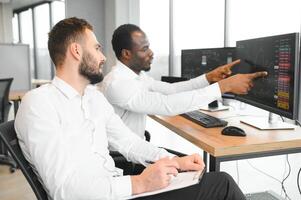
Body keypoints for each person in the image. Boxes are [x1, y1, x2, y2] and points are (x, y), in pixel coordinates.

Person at [15, 17, 246, 200]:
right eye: (96, 48)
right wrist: (141, 183)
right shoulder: (39, 103)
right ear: (76, 51)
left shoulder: (92, 98)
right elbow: (63, 190)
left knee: (201, 179)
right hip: (112, 192)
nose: (103, 57)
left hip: (118, 187)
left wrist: (174, 161)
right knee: (221, 184)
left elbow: (129, 142)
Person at [99, 24, 267, 139]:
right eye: (144, 49)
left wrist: (209, 78)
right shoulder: (117, 83)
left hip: (137, 150)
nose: (151, 53)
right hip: (125, 163)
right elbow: (167, 105)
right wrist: (224, 86)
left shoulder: (136, 77)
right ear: (126, 54)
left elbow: (171, 90)